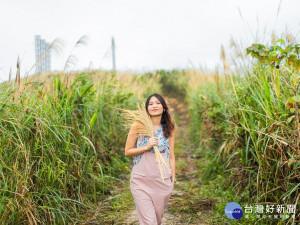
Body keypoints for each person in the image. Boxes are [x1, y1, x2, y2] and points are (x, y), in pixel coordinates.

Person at [125, 93, 176, 225]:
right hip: (140, 180)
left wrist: (173, 179)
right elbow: (128, 151)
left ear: (163, 107)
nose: (154, 106)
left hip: (162, 180)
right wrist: (146, 146)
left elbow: (171, 155)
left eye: (158, 103)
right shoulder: (138, 125)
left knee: (157, 220)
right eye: (150, 104)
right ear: (147, 108)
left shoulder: (169, 126)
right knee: (150, 222)